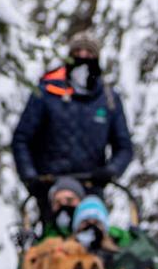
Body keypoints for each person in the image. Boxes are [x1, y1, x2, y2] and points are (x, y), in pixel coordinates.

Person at [11, 32, 134, 229]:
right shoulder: (47, 92)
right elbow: (22, 138)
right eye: (77, 51)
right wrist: (31, 177)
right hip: (49, 188)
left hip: (91, 188)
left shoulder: (108, 99)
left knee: (92, 243)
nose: (83, 57)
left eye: (89, 53)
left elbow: (124, 146)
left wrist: (110, 171)